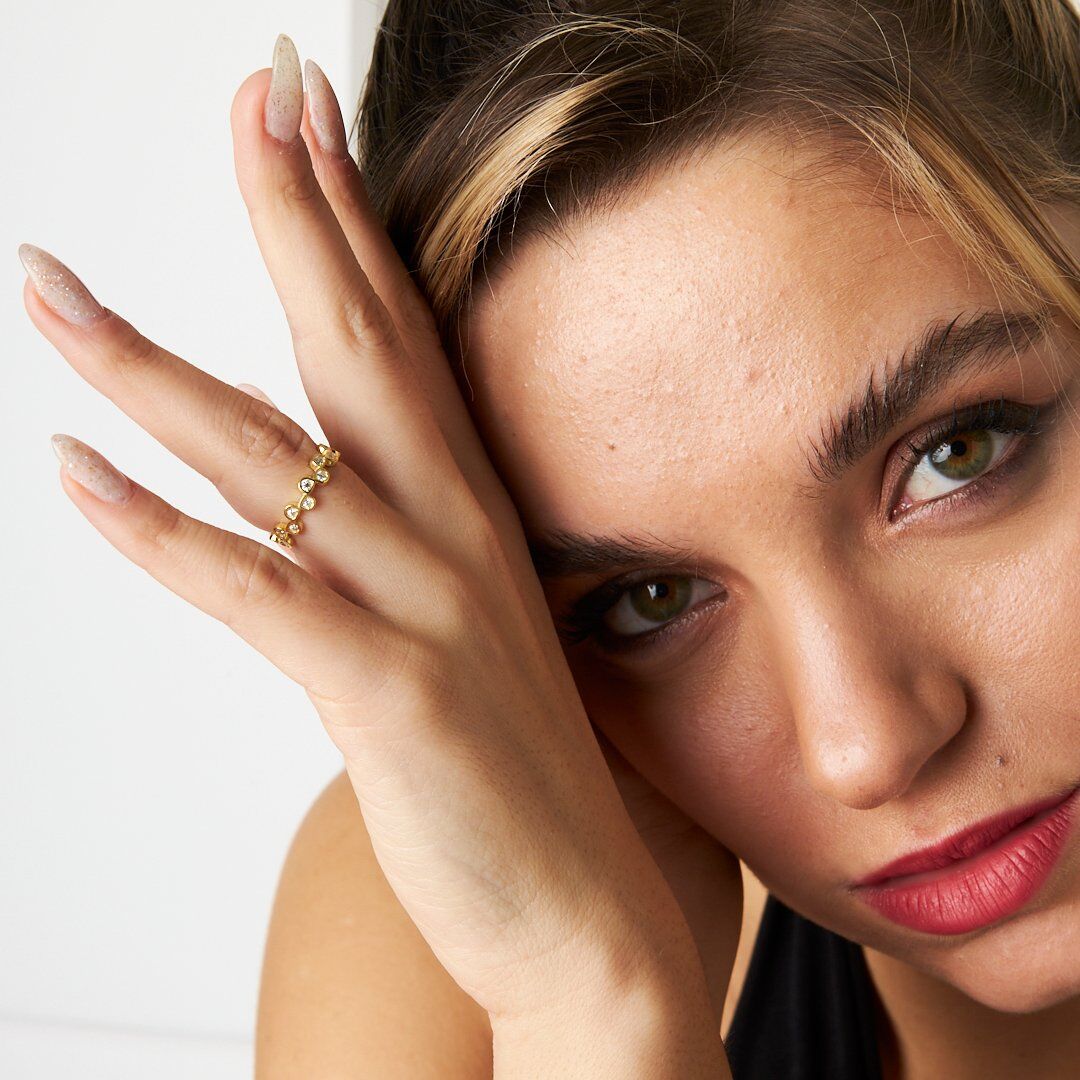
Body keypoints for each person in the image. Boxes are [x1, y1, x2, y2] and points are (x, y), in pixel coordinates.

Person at [21, 2, 1079, 1077]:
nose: (866, 748)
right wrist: (595, 1007)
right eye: (650, 600)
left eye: (958, 454)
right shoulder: (471, 942)